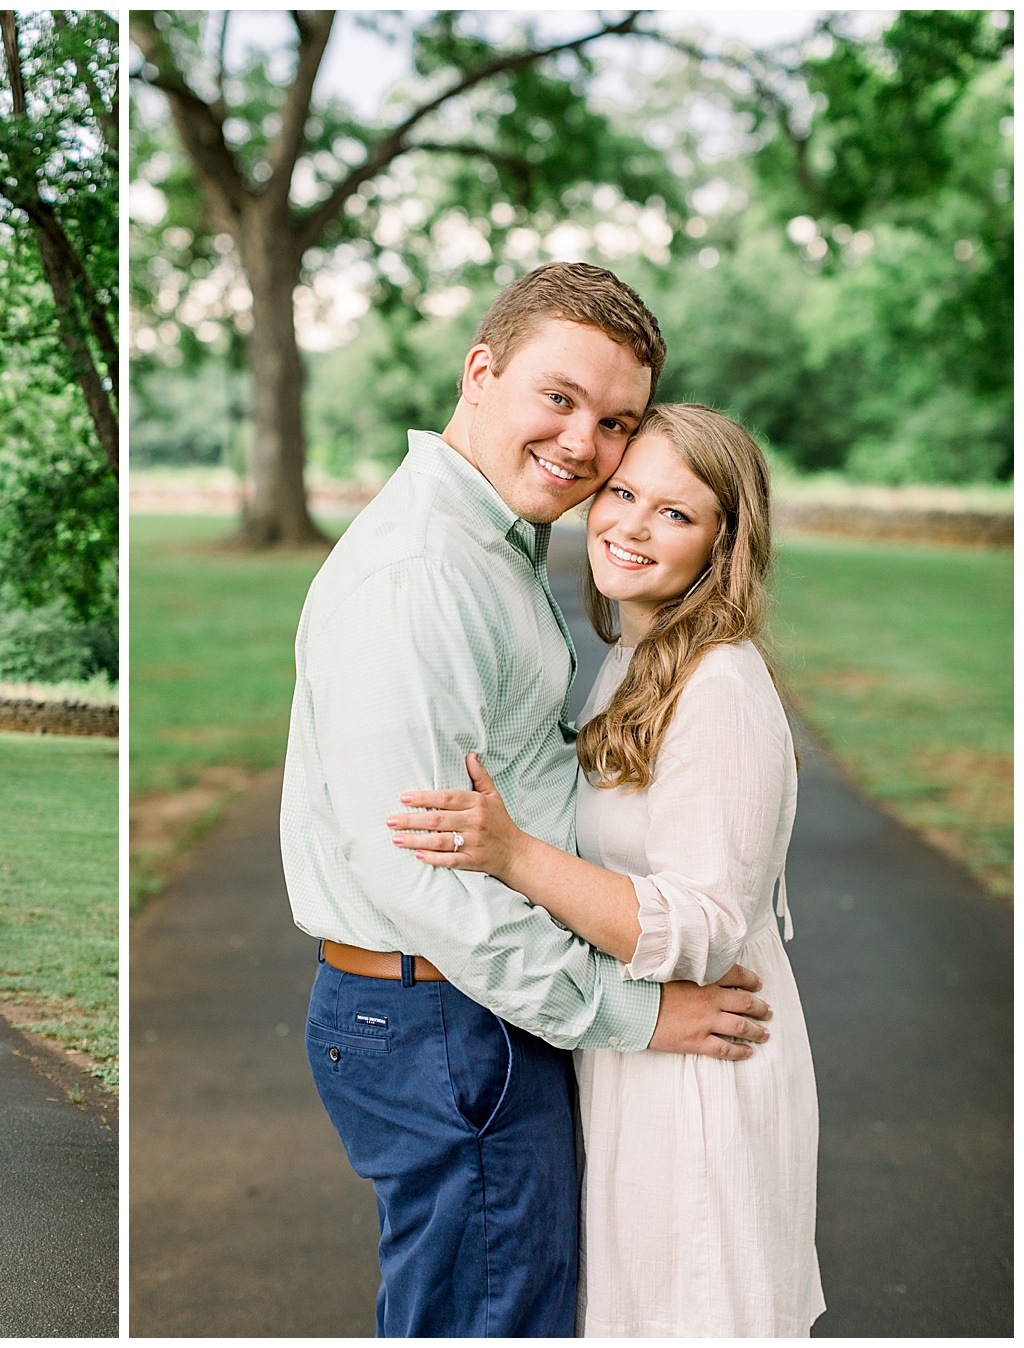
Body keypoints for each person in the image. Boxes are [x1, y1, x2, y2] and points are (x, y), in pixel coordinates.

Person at [280, 262, 774, 1336]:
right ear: (481, 371)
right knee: (493, 1321)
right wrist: (638, 1012)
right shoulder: (421, 575)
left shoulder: (495, 543)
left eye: (616, 421)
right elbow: (429, 885)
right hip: (447, 1014)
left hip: (475, 1010)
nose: (584, 445)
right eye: (559, 398)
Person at [389, 404, 825, 1335]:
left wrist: (514, 855)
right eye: (624, 493)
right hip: (643, 1056)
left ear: (722, 542)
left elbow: (703, 926)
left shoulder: (717, 688)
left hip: (703, 1070)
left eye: (676, 513)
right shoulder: (638, 657)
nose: (630, 524)